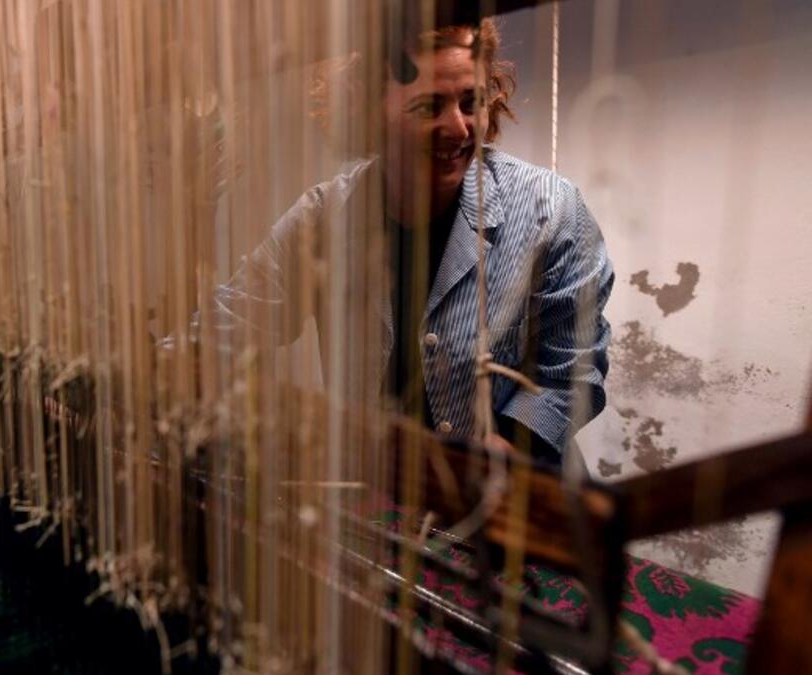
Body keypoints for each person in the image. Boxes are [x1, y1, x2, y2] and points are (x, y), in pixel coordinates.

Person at [175, 19, 613, 467]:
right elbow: (224, 325)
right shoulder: (322, 221)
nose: (460, 129)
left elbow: (573, 369)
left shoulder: (550, 209)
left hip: (517, 505)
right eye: (428, 108)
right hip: (381, 503)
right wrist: (152, 373)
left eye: (471, 103)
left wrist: (497, 455)